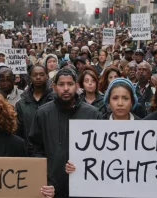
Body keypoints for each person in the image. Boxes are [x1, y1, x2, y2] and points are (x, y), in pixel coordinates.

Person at [28, 68, 102, 197]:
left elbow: (100, 150)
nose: (66, 88)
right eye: (61, 85)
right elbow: (35, 149)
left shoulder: (93, 113)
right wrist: (43, 179)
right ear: (54, 87)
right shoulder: (43, 113)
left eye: (70, 84)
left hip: (84, 186)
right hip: (52, 187)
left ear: (77, 86)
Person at [15, 65, 54, 149]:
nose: (38, 77)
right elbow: (18, 131)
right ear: (30, 77)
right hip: (29, 150)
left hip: (51, 149)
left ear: (47, 76)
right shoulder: (21, 103)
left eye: (41, 74)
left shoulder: (55, 100)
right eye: (35, 75)